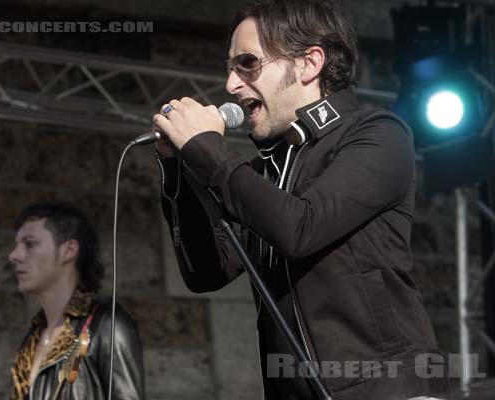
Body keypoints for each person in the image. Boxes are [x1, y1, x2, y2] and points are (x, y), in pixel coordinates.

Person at [153, 0, 451, 399]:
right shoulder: (267, 173)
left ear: (309, 64)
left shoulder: (377, 134)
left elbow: (300, 228)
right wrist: (178, 172)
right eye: (230, 68)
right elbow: (207, 272)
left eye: (247, 63)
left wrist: (207, 147)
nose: (231, 85)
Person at [8, 201, 145, 400]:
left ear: (68, 250)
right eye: (17, 246)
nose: (14, 255)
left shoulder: (107, 328)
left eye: (30, 244)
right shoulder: (33, 338)